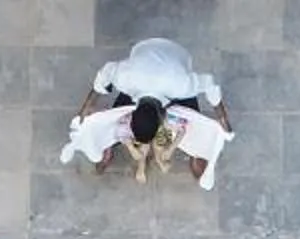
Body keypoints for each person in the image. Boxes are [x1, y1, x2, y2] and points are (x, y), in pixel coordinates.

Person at [61, 38, 233, 184]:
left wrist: (222, 118)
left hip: (175, 60)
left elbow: (210, 84)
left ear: (161, 118)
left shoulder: (182, 85)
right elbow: (103, 77)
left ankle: (198, 151)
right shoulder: (125, 78)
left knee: (193, 119)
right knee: (114, 117)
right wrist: (83, 112)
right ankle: (107, 143)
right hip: (141, 65)